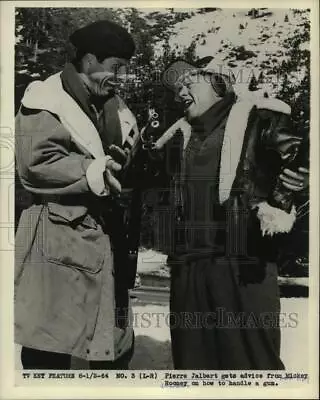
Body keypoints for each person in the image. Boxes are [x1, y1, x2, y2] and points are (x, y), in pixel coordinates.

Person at [157, 58, 309, 369]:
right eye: (177, 89)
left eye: (189, 82)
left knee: (252, 365)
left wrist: (282, 199)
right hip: (188, 267)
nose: (181, 92)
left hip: (243, 264)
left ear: (219, 82)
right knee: (193, 367)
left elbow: (303, 154)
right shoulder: (180, 133)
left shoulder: (258, 118)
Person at [15, 20, 139, 370]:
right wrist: (95, 171)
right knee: (50, 347)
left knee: (109, 347)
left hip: (105, 243)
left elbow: (126, 160)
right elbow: (36, 162)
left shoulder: (116, 106)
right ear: (88, 61)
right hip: (57, 241)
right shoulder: (45, 100)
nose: (122, 77)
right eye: (116, 67)